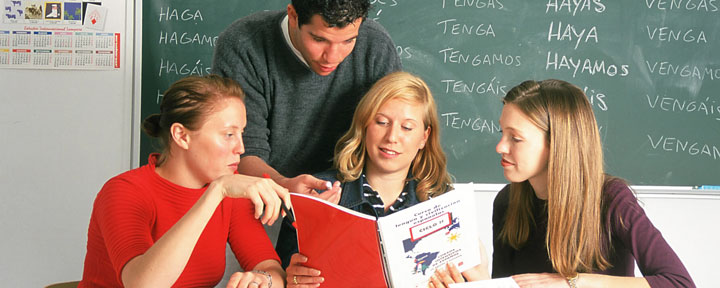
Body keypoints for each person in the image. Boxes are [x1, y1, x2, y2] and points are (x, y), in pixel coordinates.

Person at [432, 79, 695, 288]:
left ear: (557, 144)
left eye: (516, 138)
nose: (501, 146)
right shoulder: (507, 201)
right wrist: (479, 283)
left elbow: (679, 283)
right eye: (502, 133)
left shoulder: (611, 199)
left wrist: (571, 282)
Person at [79, 75, 290, 288]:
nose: (241, 148)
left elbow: (271, 267)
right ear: (181, 136)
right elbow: (142, 284)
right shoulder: (124, 191)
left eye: (241, 133)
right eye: (228, 134)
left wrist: (264, 279)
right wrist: (216, 192)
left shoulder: (228, 191)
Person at [273, 71, 471, 287]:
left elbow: (463, 276)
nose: (392, 137)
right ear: (365, 125)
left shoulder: (443, 201)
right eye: (382, 122)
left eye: (406, 127)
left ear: (424, 137)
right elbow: (283, 274)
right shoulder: (317, 192)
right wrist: (290, 280)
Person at [212, 0, 402, 196]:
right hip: (265, 193)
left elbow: (398, 133)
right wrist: (284, 186)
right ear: (293, 16)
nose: (333, 57)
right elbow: (242, 150)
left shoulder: (375, 44)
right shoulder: (244, 45)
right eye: (319, 40)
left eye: (348, 41)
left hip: (356, 192)